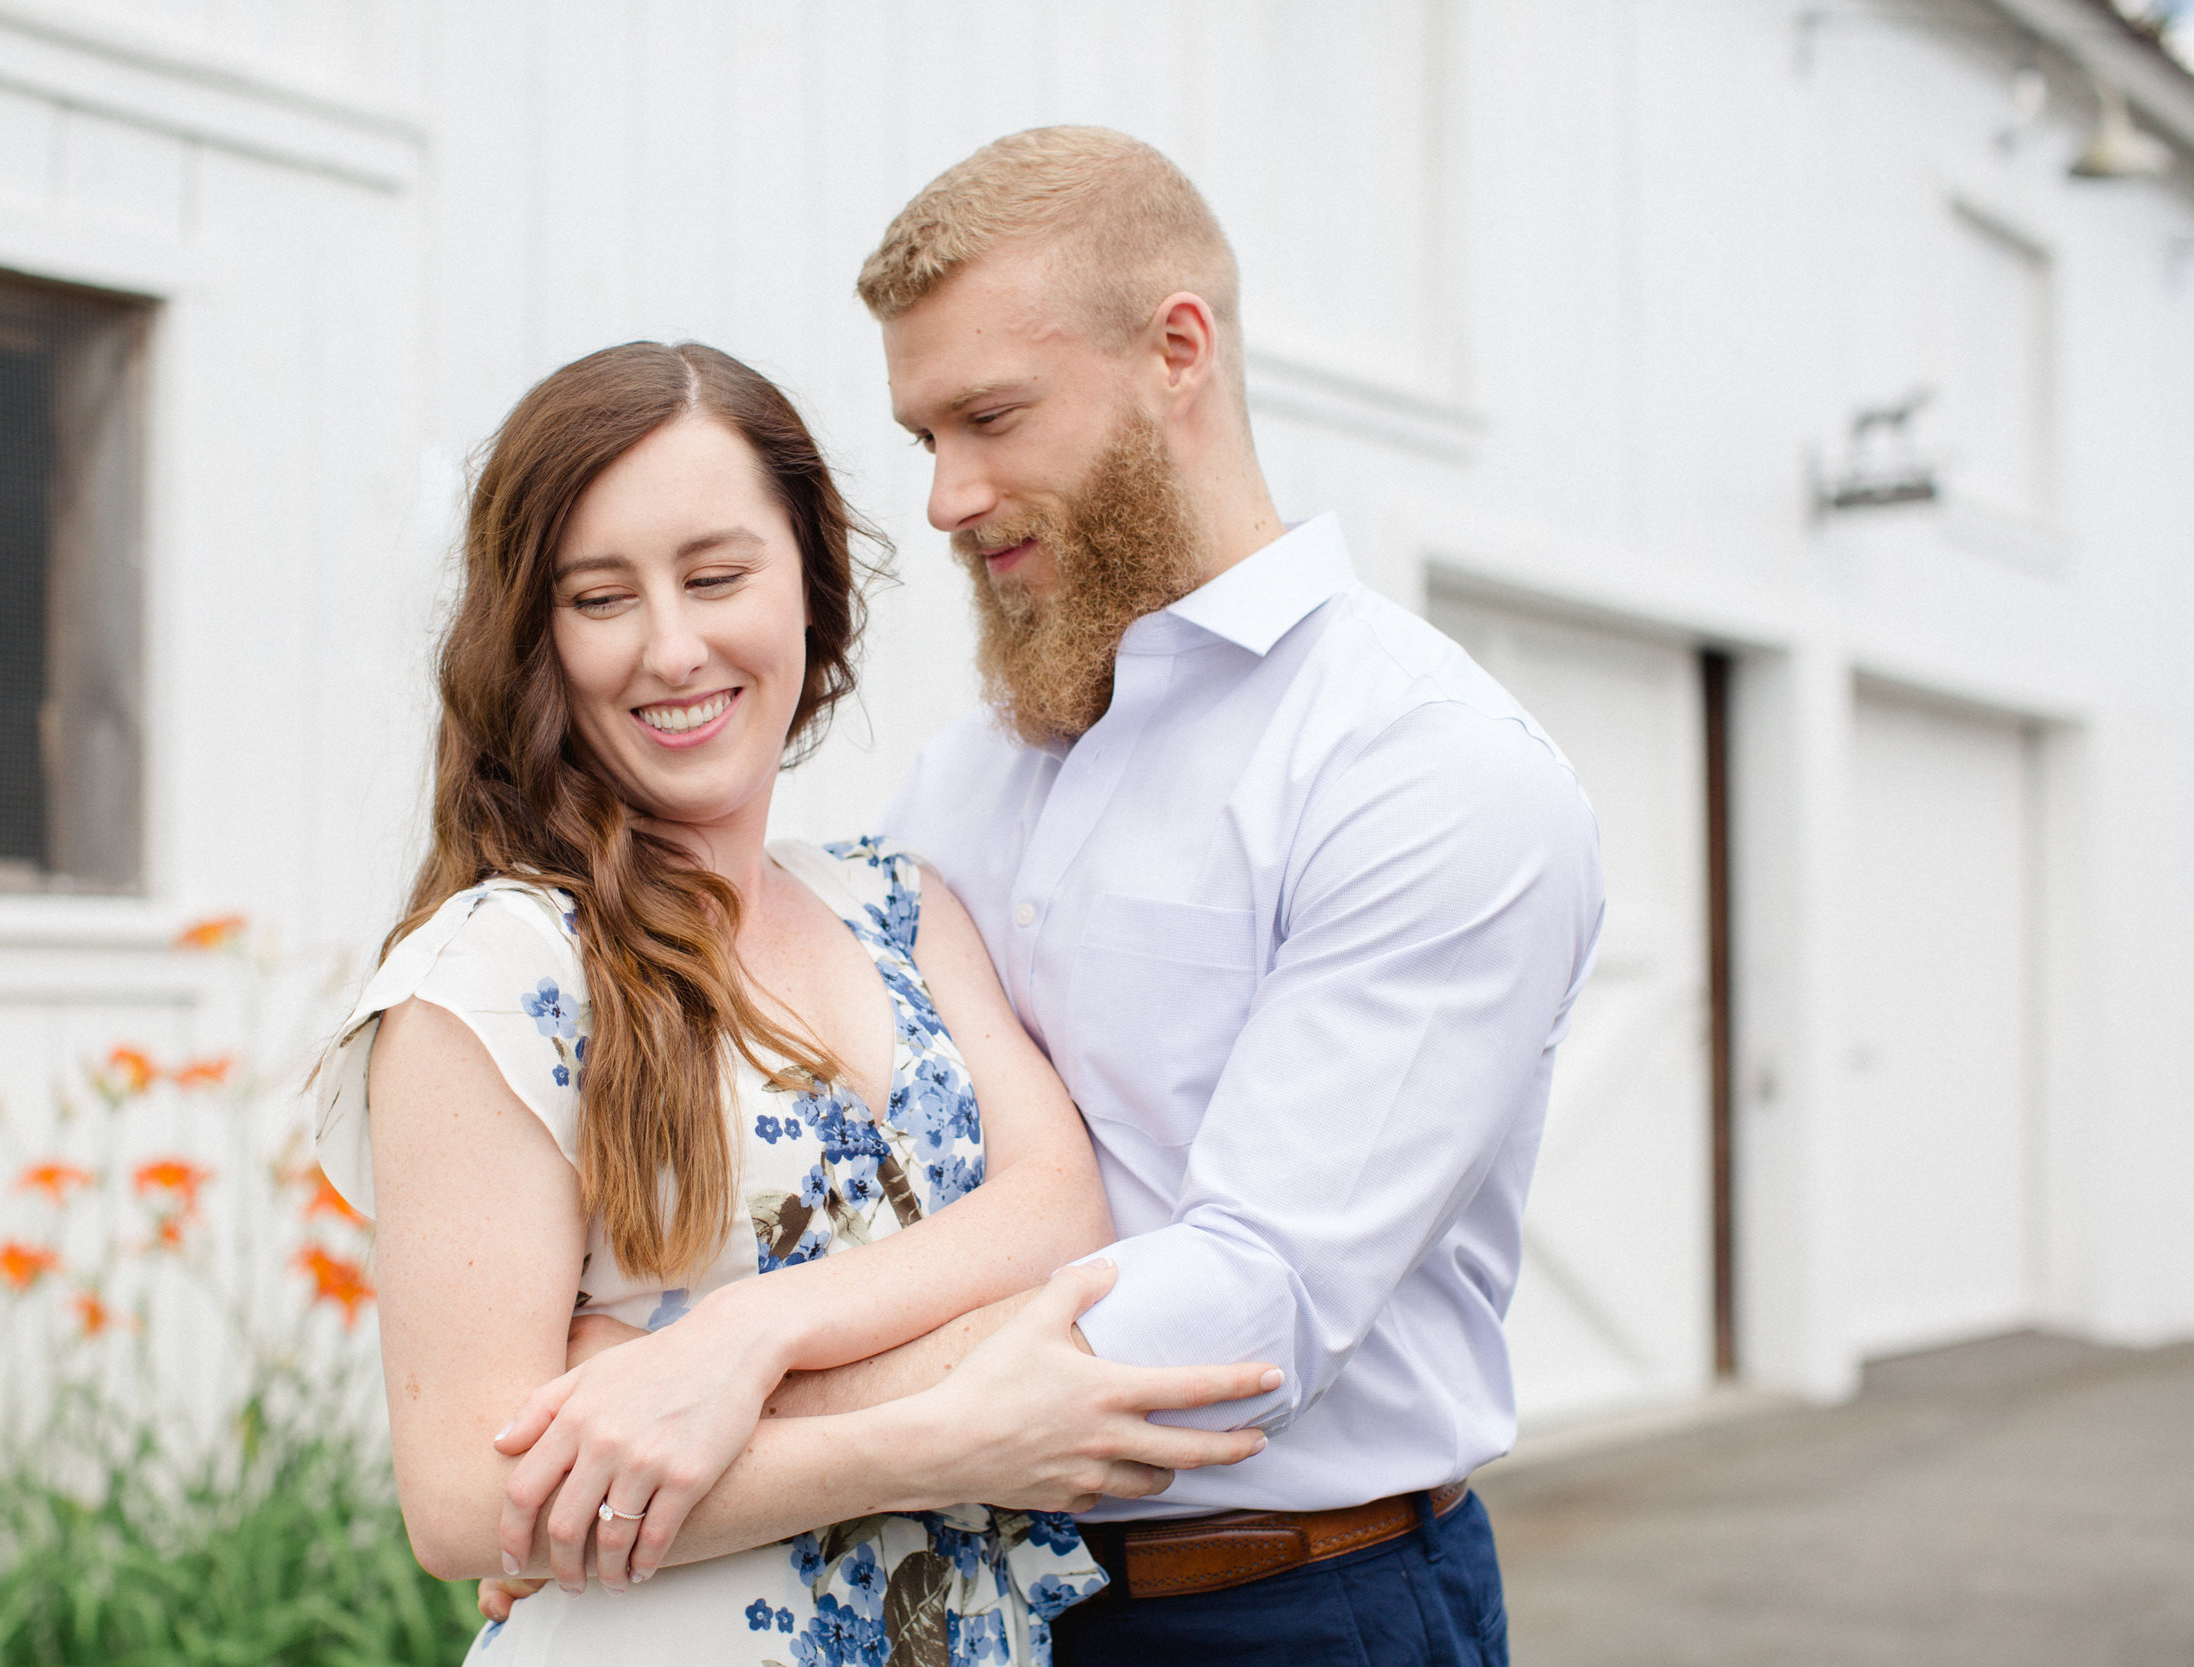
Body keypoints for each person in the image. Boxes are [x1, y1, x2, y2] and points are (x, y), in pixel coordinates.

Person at [485, 128, 1606, 1666]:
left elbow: (1251, 1306)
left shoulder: (1426, 773)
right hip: (944, 1597)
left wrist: (696, 1412)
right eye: (923, 433)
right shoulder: (966, 784)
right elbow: (872, 1187)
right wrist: (670, 1448)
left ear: (1177, 353)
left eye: (991, 417)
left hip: (1285, 1607)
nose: (946, 495)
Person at [312, 339, 1275, 1666]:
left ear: (810, 589)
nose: (671, 646)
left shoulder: (900, 903)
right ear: (535, 640)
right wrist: (941, 1436)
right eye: (600, 598)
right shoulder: (493, 974)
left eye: (717, 576)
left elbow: (1062, 1215)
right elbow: (476, 1501)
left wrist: (721, 1350)